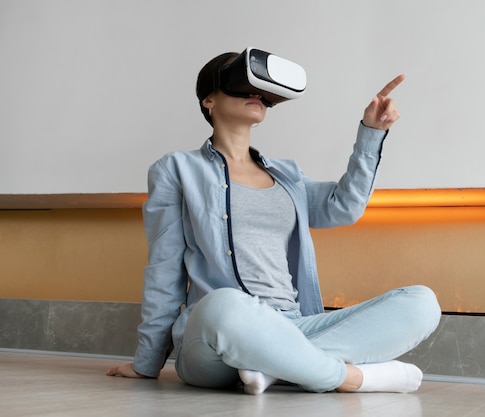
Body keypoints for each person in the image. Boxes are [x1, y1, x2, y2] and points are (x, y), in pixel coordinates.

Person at [107, 51, 441, 394]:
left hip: (293, 325)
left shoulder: (287, 175)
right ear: (209, 100)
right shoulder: (176, 169)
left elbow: (344, 207)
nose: (256, 94)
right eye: (241, 84)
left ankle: (273, 367)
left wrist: (372, 131)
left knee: (421, 302)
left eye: (261, 90)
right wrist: (147, 363)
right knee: (224, 303)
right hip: (217, 334)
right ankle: (348, 377)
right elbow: (164, 269)